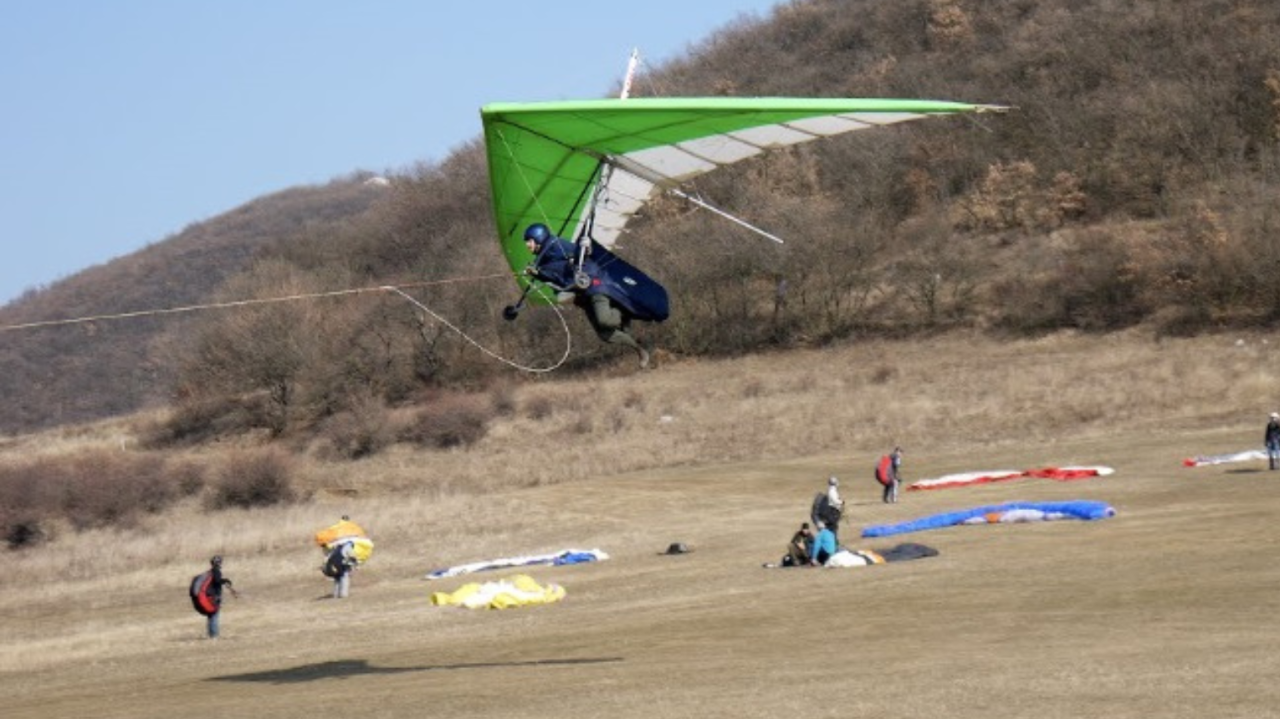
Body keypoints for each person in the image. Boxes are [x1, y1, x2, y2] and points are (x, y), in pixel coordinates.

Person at [523, 223, 652, 368]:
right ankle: (639, 349)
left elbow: (581, 253)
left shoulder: (556, 245)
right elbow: (556, 280)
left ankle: (624, 312)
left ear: (539, 237)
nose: (527, 245)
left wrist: (586, 247)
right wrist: (538, 274)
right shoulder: (541, 263)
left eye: (530, 241)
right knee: (605, 335)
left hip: (594, 286)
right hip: (582, 296)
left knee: (604, 321)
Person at [205, 555, 238, 639]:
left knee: (211, 615)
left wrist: (225, 582)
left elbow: (216, 581)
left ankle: (211, 634)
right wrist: (225, 580)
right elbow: (217, 581)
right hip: (214, 596)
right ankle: (214, 635)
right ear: (218, 563)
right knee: (214, 615)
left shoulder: (211, 571)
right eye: (220, 562)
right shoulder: (216, 571)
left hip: (209, 596)